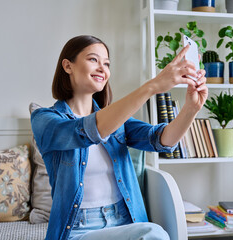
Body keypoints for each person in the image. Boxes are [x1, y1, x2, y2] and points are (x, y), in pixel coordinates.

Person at [31, 35, 208, 240]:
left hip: (125, 223)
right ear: (68, 66)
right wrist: (152, 86)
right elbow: (89, 131)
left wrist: (191, 109)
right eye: (93, 60)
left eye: (106, 63)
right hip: (77, 231)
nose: (102, 68)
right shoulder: (45, 120)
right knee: (153, 234)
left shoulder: (117, 121)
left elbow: (161, 140)